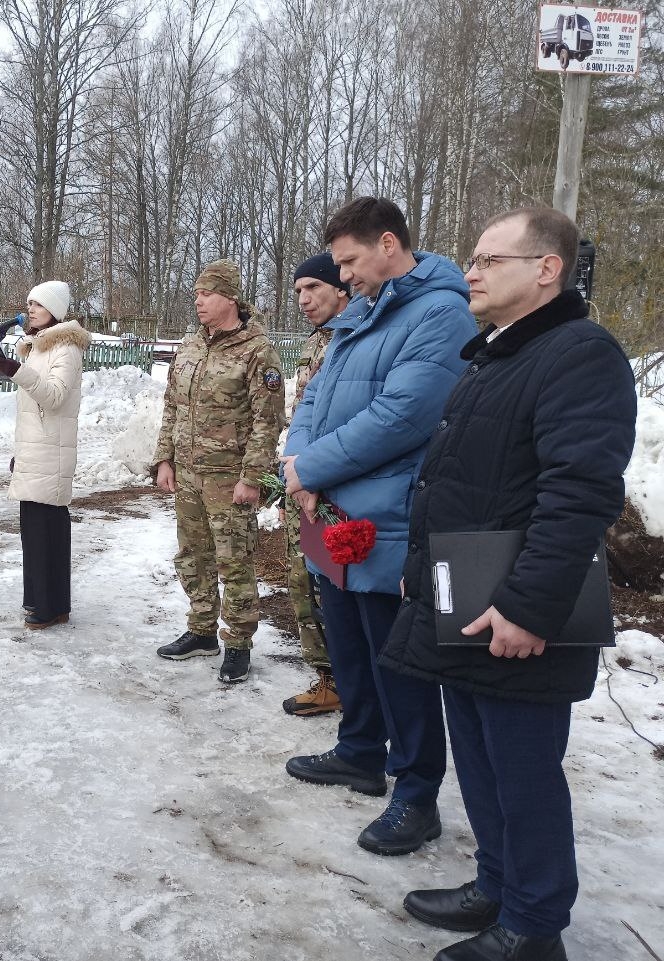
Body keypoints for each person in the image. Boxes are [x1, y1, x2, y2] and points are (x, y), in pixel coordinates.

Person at [382, 208, 636, 961]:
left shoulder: (578, 354)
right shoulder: (497, 355)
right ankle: (496, 885)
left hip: (517, 611)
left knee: (522, 771)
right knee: (481, 760)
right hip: (465, 597)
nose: (472, 272)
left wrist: (528, 606)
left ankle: (533, 924)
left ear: (547, 269)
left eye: (491, 259)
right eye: (473, 258)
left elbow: (580, 494)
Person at [281, 197, 476, 855]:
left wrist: (309, 468)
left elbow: (401, 417)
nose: (343, 277)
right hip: (333, 512)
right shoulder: (361, 313)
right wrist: (300, 465)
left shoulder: (440, 314)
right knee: (350, 646)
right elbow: (314, 400)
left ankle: (416, 793)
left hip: (388, 519)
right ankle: (360, 750)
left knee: (399, 663)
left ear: (388, 244)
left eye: (349, 262)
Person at [152, 260, 285, 683]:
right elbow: (172, 406)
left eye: (206, 294)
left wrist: (252, 477)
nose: (198, 301)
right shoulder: (191, 346)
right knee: (192, 556)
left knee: (234, 561)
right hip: (188, 474)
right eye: (196, 294)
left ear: (229, 297)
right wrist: (164, 458)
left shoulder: (256, 351)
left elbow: (268, 421)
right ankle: (201, 630)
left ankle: (239, 643)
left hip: (229, 478)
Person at [0, 280, 90, 629]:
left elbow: (53, 397)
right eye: (29, 303)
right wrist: (22, 454)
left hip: (52, 451)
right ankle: (41, 601)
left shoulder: (66, 349)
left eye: (38, 304)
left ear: (55, 310)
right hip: (35, 451)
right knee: (34, 531)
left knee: (47, 531)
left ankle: (52, 606)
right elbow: (31, 406)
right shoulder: (36, 347)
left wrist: (15, 370)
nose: (30, 309)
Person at [282, 253, 350, 716]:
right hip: (304, 481)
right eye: (298, 292)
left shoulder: (353, 338)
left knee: (336, 589)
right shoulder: (317, 341)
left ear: (341, 287)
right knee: (303, 583)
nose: (304, 300)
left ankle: (349, 679)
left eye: (313, 288)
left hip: (336, 485)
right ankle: (330, 677)